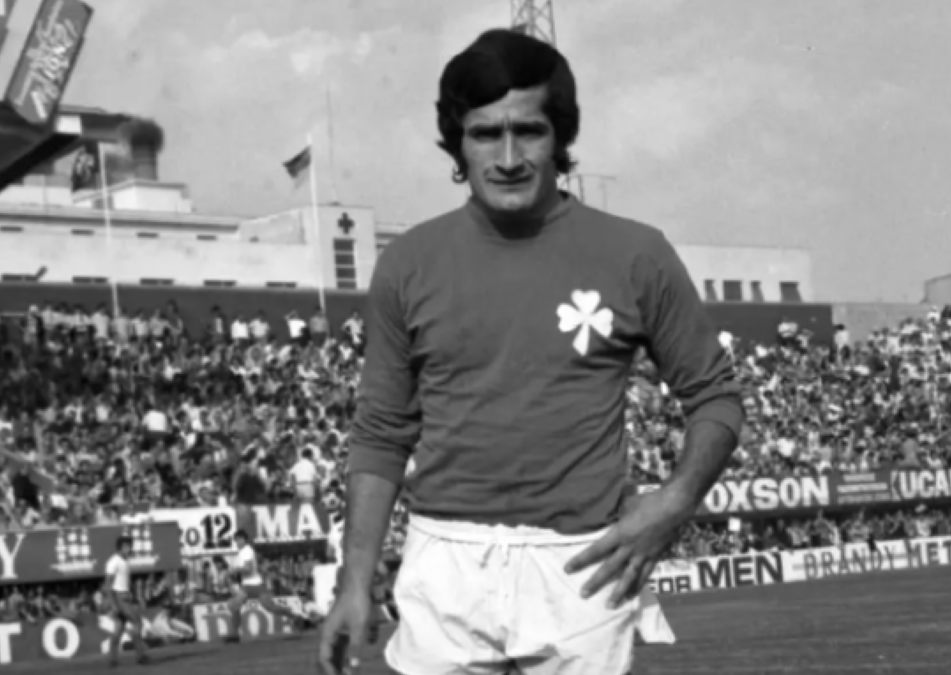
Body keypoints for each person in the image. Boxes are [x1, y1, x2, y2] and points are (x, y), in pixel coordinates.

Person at [318, 28, 743, 675]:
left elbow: (715, 395)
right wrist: (355, 580)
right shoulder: (407, 264)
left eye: (529, 131)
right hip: (444, 562)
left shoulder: (635, 254)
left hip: (584, 564)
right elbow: (381, 432)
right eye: (486, 133)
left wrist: (677, 500)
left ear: (560, 136)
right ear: (457, 141)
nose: (509, 156)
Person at [223, 529, 300, 642]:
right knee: (234, 606)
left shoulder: (247, 550)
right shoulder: (242, 552)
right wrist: (232, 573)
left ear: (245, 540)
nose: (238, 542)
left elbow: (248, 569)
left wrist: (234, 570)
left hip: (256, 585)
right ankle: (234, 634)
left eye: (240, 539)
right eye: (236, 540)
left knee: (270, 607)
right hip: (247, 586)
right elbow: (249, 568)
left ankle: (294, 616)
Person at [104, 535, 150, 667]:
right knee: (137, 622)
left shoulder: (125, 561)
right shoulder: (114, 562)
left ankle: (112, 660)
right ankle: (140, 656)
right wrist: (113, 604)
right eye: (126, 546)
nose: (129, 549)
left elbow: (124, 582)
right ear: (120, 547)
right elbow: (108, 585)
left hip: (124, 597)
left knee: (118, 629)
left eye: (130, 546)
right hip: (120, 598)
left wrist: (132, 595)